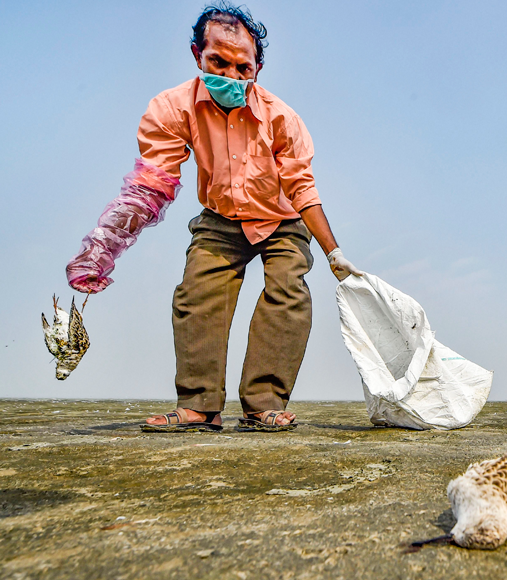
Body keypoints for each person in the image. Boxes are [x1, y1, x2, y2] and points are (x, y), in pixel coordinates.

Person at [66, 4, 362, 432]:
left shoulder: (282, 117)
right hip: (220, 218)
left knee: (287, 293)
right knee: (196, 294)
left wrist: (334, 253)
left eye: (243, 67)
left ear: (257, 67)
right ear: (196, 55)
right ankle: (200, 405)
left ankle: (263, 403)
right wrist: (102, 249)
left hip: (281, 220)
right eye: (218, 63)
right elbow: (151, 185)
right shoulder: (172, 108)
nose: (231, 75)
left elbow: (301, 187)